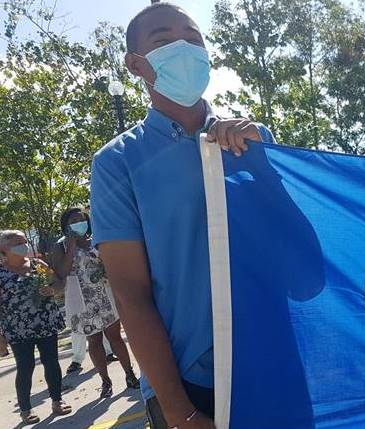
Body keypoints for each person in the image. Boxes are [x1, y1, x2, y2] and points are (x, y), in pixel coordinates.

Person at [90, 3, 272, 428]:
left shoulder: (254, 140)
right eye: (164, 40)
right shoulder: (118, 163)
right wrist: (179, 411)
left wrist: (263, 159)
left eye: (193, 39)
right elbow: (131, 294)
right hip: (191, 382)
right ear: (136, 65)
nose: (184, 49)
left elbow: (299, 260)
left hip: (271, 360)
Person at [51, 208, 140, 398]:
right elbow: (61, 273)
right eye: (73, 220)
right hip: (81, 301)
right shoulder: (60, 247)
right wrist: (72, 248)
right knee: (94, 340)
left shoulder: (97, 240)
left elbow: (112, 264)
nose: (78, 223)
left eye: (82, 220)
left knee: (115, 337)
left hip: (105, 296)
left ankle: (130, 374)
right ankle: (106, 382)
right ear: (65, 225)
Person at [0, 230, 72, 424]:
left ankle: (57, 401)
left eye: (24, 242)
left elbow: (58, 282)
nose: (23, 246)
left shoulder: (38, 265)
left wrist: (53, 290)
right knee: (26, 367)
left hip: (46, 323)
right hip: (18, 329)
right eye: (17, 243)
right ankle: (25, 409)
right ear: (3, 248)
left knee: (52, 362)